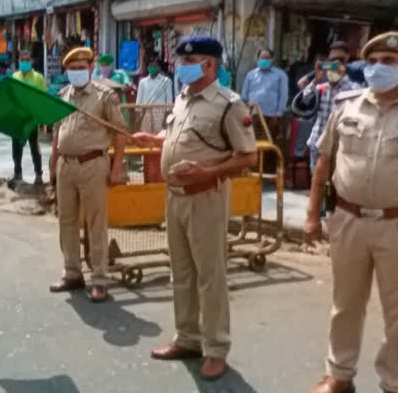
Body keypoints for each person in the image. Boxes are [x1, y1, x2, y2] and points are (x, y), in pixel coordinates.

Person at [132, 37, 257, 381]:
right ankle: (187, 337)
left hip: (206, 197)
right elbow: (185, 137)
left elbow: (248, 156)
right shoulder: (184, 98)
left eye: (192, 60)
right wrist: (156, 140)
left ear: (210, 65)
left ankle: (216, 347)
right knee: (182, 272)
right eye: (181, 60)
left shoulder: (229, 104)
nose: (182, 66)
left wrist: (209, 172)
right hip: (175, 197)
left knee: (210, 275)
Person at [304, 32, 398, 393]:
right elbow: (324, 163)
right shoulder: (347, 105)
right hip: (348, 220)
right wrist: (312, 216)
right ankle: (339, 376)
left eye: (389, 63)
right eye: (373, 62)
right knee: (344, 305)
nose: (378, 69)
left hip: (395, 224)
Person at [48, 47, 127, 303]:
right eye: (72, 69)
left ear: (90, 69)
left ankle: (100, 279)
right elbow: (56, 134)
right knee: (66, 221)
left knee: (95, 223)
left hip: (94, 164)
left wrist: (116, 168)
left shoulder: (104, 96)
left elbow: (120, 132)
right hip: (65, 165)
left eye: (82, 68)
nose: (77, 73)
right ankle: (72, 273)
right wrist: (52, 165)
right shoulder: (62, 96)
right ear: (67, 71)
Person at [293, 44, 361, 178]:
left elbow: (359, 96)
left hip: (341, 146)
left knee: (337, 186)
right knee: (318, 182)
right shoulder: (321, 87)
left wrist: (343, 75)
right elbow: (304, 100)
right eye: (332, 61)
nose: (335, 64)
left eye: (340, 60)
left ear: (346, 60)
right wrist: (315, 79)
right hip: (318, 143)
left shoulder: (352, 87)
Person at [241, 49, 289, 171]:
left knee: (269, 144)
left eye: (267, 58)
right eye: (262, 58)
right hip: (253, 115)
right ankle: (254, 169)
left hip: (271, 116)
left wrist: (278, 114)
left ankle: (268, 170)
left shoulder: (280, 75)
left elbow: (283, 95)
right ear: (257, 59)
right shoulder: (251, 75)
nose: (264, 61)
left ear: (272, 59)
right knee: (252, 143)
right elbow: (244, 95)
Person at [11, 50, 48, 184]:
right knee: (16, 148)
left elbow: (44, 97)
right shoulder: (14, 76)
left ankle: (38, 174)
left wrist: (42, 118)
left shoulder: (38, 78)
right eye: (22, 60)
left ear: (31, 61)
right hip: (18, 119)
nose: (24, 62)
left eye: (27, 60)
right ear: (19, 61)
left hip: (32, 119)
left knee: (34, 148)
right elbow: (11, 97)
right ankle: (17, 173)